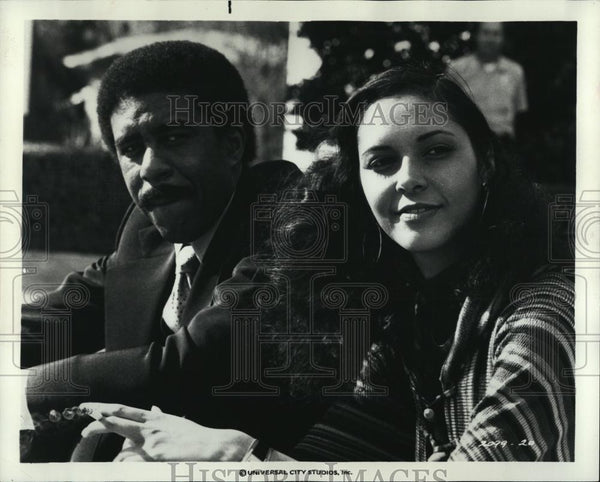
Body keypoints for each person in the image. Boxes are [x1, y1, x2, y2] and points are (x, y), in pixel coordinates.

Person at [78, 64, 574, 462]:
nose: (408, 179)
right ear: (357, 185)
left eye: (437, 151)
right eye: (381, 162)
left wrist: (236, 454)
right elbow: (332, 457)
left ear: (485, 163)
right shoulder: (406, 321)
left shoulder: (545, 315)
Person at [20, 40, 303, 461]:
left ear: (232, 146)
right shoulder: (146, 231)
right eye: (130, 149)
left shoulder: (291, 219)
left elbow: (194, 360)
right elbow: (61, 316)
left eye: (174, 137)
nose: (149, 167)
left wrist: (25, 389)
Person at [451, 22, 528, 142]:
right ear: (477, 36)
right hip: (468, 143)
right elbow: (447, 112)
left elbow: (520, 115)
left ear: (503, 38)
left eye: (496, 34)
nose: (491, 39)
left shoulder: (515, 71)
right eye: (486, 33)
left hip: (503, 145)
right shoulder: (457, 69)